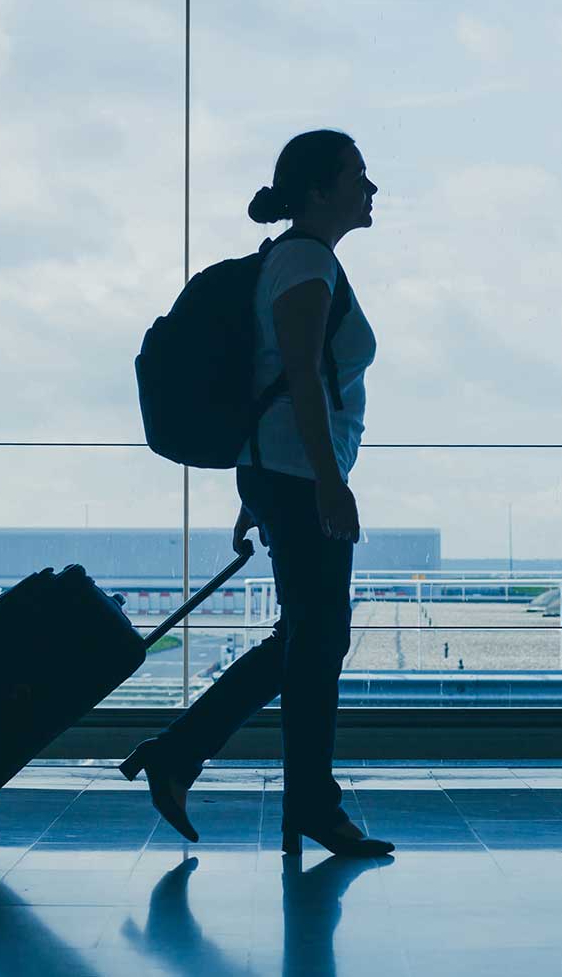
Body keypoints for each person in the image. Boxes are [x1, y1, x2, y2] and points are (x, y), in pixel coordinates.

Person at [122, 129, 394, 858]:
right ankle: (308, 801)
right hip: (300, 477)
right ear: (317, 190)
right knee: (319, 639)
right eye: (357, 176)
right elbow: (302, 375)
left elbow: (273, 379)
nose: (371, 189)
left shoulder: (295, 258)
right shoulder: (306, 260)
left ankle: (183, 755)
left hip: (281, 472)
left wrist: (260, 486)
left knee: (305, 638)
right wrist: (330, 485)